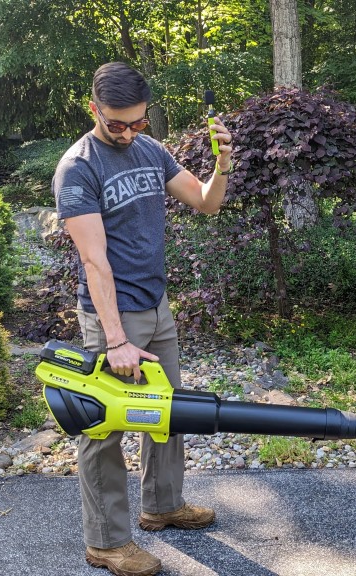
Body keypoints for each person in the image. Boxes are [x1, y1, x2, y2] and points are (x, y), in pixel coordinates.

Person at [52, 61, 234, 576]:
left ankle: (163, 505)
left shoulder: (151, 150)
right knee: (103, 427)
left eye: (139, 122)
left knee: (167, 412)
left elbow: (206, 203)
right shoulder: (78, 167)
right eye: (118, 124)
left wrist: (223, 163)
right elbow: (94, 260)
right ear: (94, 110)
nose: (129, 132)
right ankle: (106, 542)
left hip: (156, 307)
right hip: (115, 319)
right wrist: (114, 340)